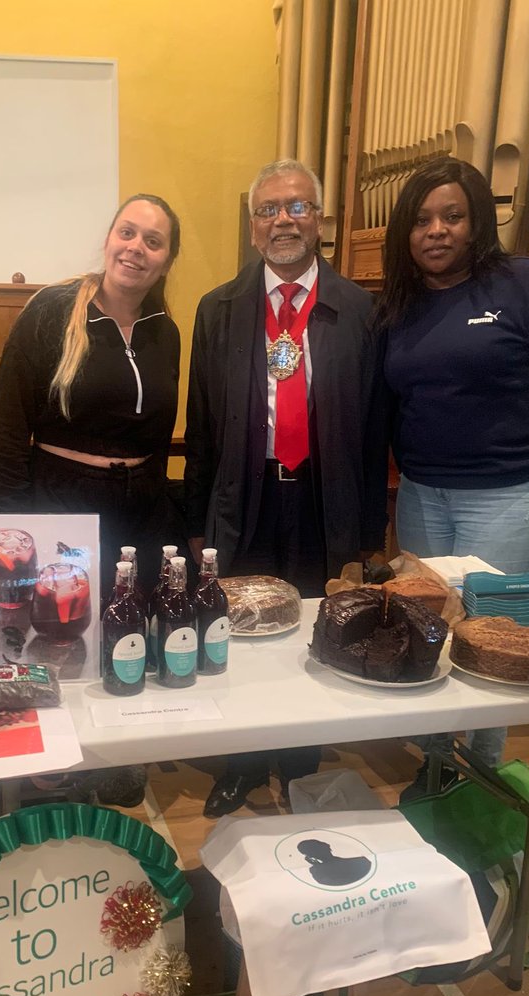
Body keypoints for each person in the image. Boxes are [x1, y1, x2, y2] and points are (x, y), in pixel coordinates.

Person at [376, 157, 529, 796]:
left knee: (490, 639)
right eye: (422, 219)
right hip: (423, 495)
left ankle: (477, 773)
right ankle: (435, 764)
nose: (437, 231)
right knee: (430, 627)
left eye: (452, 216)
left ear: (478, 219)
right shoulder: (401, 304)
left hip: (508, 496)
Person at [184, 159, 389, 818]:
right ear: (252, 227)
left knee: (311, 628)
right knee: (240, 629)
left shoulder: (360, 310)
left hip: (324, 501)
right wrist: (196, 523)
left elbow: (374, 428)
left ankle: (301, 763)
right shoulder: (217, 310)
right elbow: (201, 426)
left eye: (297, 207)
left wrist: (369, 527)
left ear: (319, 220)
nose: (283, 221)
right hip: (245, 500)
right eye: (269, 209)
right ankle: (240, 762)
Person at [0, 194, 182, 596]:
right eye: (127, 233)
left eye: (153, 241)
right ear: (109, 239)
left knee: (138, 624)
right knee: (69, 624)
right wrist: (19, 527)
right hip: (64, 504)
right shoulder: (50, 312)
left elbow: (159, 436)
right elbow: (7, 430)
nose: (135, 247)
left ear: (167, 261)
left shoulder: (165, 332)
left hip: (143, 513)